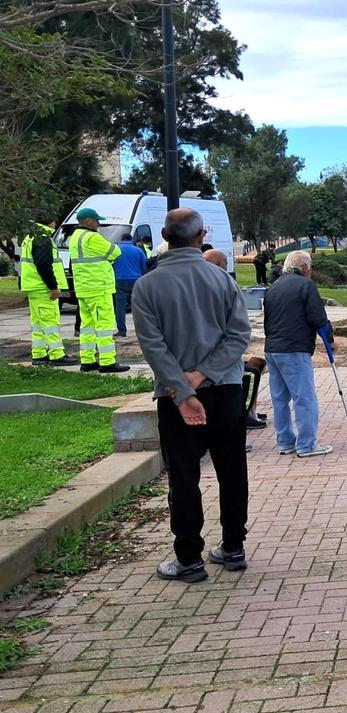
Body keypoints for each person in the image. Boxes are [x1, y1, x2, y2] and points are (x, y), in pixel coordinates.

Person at [132, 208, 251, 582]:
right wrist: (205, 375)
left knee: (184, 476)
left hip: (175, 396)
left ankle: (188, 558)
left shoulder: (147, 286)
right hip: (227, 389)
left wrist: (184, 389)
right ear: (202, 236)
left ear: (166, 236)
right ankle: (233, 546)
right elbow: (239, 336)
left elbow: (153, 346)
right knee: (232, 469)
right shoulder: (222, 280)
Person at [264, 251, 332, 457]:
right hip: (294, 348)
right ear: (304, 267)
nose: (311, 271)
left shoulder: (273, 287)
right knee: (304, 397)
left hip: (273, 348)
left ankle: (285, 442)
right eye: (310, 267)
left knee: (280, 398)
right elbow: (317, 316)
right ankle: (306, 444)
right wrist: (330, 339)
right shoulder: (306, 285)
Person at [201, 249, 268, 430]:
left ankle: (247, 413)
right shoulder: (222, 285)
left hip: (211, 364)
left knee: (254, 366)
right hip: (218, 366)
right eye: (223, 266)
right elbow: (238, 331)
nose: (225, 269)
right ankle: (244, 415)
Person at [67, 208, 129, 372]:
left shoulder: (75, 237)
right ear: (88, 220)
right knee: (104, 325)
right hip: (99, 287)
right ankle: (107, 362)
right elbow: (115, 252)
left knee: (87, 326)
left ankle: (87, 360)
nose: (99, 224)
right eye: (96, 220)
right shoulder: (92, 237)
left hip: (83, 287)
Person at [18, 221, 75, 366]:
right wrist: (53, 286)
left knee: (38, 323)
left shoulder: (30, 236)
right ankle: (57, 355)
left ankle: (39, 354)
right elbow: (43, 264)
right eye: (54, 221)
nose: (56, 224)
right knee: (50, 323)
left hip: (34, 287)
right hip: (43, 288)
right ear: (49, 221)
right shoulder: (42, 237)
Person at [112, 233, 148, 338]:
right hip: (136, 281)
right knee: (138, 307)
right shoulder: (138, 250)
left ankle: (122, 331)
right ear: (131, 240)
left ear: (122, 239)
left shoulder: (116, 250)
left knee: (120, 307)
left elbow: (112, 265)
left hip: (120, 280)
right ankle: (143, 331)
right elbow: (144, 266)